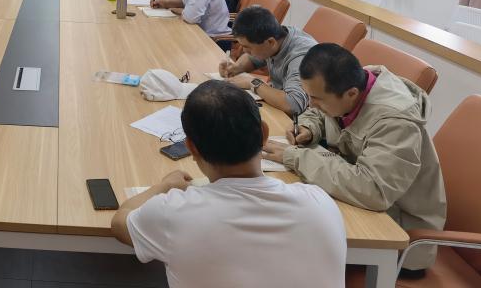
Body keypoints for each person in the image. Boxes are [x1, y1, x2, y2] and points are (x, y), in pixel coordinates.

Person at [111, 80, 345, 288]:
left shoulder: (172, 213)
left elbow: (120, 222)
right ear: (264, 134)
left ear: (191, 148)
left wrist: (162, 187)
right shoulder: (320, 203)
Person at [264, 43, 446, 274]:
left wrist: (297, 158)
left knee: (290, 250)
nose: (310, 104)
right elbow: (321, 112)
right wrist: (309, 127)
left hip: (398, 236)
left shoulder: (395, 122)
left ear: (351, 94)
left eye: (316, 98)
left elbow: (373, 190)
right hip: (360, 203)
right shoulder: (354, 84)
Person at [220, 6, 314, 116]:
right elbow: (252, 58)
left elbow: (293, 105)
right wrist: (235, 67)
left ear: (270, 42)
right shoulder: (273, 37)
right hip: (277, 105)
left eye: (247, 47)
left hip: (301, 117)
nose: (244, 51)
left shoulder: (301, 57)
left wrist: (253, 82)